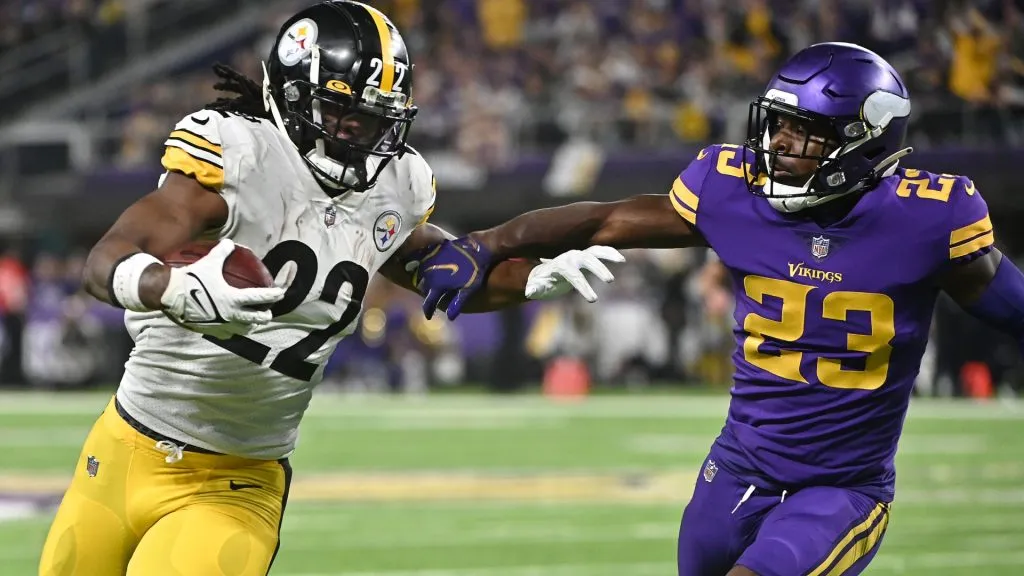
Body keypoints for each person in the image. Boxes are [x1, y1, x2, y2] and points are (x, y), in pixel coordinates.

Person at [37, 2, 620, 575]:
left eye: (376, 119)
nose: (361, 136)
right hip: (121, 447)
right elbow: (105, 261)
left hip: (236, 479)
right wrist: (169, 285)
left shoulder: (395, 187)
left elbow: (442, 272)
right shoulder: (238, 156)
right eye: (344, 115)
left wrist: (526, 279)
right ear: (290, 96)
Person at [412, 42, 1024, 576]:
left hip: (841, 486)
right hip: (737, 466)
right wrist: (485, 242)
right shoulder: (733, 192)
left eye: (802, 132)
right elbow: (604, 220)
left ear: (863, 141)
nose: (777, 144)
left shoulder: (929, 219)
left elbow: (1009, 305)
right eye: (776, 124)